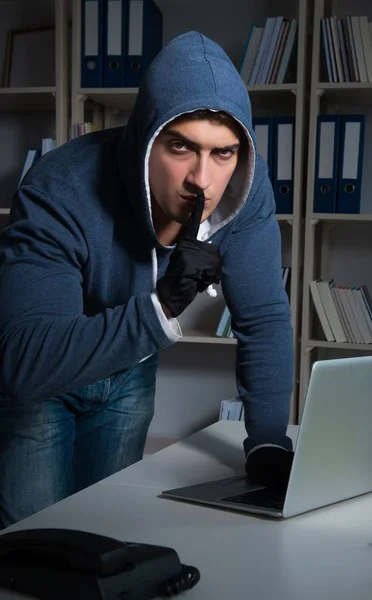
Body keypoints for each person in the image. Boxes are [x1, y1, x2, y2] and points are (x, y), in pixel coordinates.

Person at [0, 31, 294, 529]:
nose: (202, 179)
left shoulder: (245, 186)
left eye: (223, 152)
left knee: (108, 529)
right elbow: (24, 363)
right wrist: (162, 306)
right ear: (145, 138)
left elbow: (263, 318)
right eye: (181, 146)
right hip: (46, 377)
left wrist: (266, 441)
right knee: (33, 544)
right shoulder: (60, 187)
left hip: (130, 365)